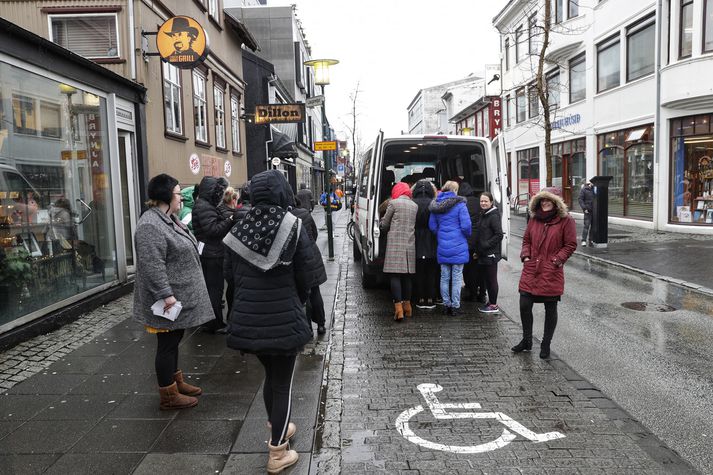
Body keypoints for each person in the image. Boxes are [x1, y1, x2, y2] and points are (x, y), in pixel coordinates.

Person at [223, 170, 326, 473]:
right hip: (284, 318)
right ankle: (278, 452)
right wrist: (299, 300)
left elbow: (229, 276)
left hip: (248, 317)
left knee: (271, 376)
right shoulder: (292, 226)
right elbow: (307, 276)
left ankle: (278, 425)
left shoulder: (238, 226)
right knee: (282, 384)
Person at [132, 174, 214, 410]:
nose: (181, 197)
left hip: (178, 296)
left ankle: (175, 382)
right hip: (167, 300)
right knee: (167, 343)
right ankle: (168, 394)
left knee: (174, 339)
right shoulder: (150, 224)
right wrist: (166, 295)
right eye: (178, 193)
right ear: (166, 196)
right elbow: (151, 265)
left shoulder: (169, 218)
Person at [512, 187, 577, 359]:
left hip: (551, 270)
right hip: (531, 268)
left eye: (548, 200)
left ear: (556, 202)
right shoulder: (534, 218)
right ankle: (526, 341)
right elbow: (526, 240)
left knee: (550, 307)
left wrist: (556, 261)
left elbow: (570, 244)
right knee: (525, 304)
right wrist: (526, 256)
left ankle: (546, 344)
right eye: (542, 200)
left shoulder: (566, 220)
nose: (545, 203)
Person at [192, 176, 235, 333]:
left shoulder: (205, 204)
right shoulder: (204, 206)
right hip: (212, 254)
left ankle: (211, 321)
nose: (220, 193)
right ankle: (214, 322)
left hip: (210, 252)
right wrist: (230, 219)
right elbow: (213, 230)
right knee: (214, 289)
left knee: (213, 288)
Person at [428, 181, 471, 316]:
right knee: (457, 277)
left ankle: (446, 305)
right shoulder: (460, 205)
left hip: (443, 245)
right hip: (458, 246)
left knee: (444, 277)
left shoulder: (435, 205)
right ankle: (455, 306)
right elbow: (466, 226)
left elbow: (432, 226)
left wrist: (441, 234)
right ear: (455, 191)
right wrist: (465, 236)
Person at [380, 182, 418, 321]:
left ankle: (399, 310)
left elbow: (385, 225)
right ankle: (408, 307)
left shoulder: (393, 203)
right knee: (407, 276)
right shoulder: (414, 206)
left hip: (395, 244)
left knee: (395, 276)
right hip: (409, 244)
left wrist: (380, 224)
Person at [290, 194, 325, 335]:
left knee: (304, 293)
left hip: (299, 259)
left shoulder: (288, 217)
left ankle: (308, 328)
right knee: (315, 292)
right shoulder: (305, 214)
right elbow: (314, 233)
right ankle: (321, 325)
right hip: (313, 256)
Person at [411, 180, 439, 309]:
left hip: (416, 239)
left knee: (419, 271)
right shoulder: (434, 203)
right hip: (432, 240)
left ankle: (420, 298)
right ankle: (431, 299)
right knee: (431, 271)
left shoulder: (412, 204)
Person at [475, 192, 504, 314]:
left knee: (492, 280)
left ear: (491, 202)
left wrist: (486, 245)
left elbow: (499, 235)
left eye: (486, 201)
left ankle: (493, 305)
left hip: (491, 254)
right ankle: (490, 301)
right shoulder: (484, 214)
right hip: (483, 253)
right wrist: (478, 250)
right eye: (481, 201)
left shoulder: (493, 216)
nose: (483, 203)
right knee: (486, 279)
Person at [458, 182, 485, 303]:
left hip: (466, 239)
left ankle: (471, 292)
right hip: (478, 239)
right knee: (478, 268)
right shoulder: (478, 202)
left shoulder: (461, 203)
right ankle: (481, 293)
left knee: (467, 268)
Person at [578, 180, 594, 246]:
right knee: (586, 226)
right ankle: (583, 240)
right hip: (588, 210)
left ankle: (591, 240)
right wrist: (584, 208)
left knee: (593, 227)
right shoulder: (584, 189)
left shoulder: (595, 189)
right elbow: (580, 199)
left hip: (595, 211)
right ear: (590, 182)